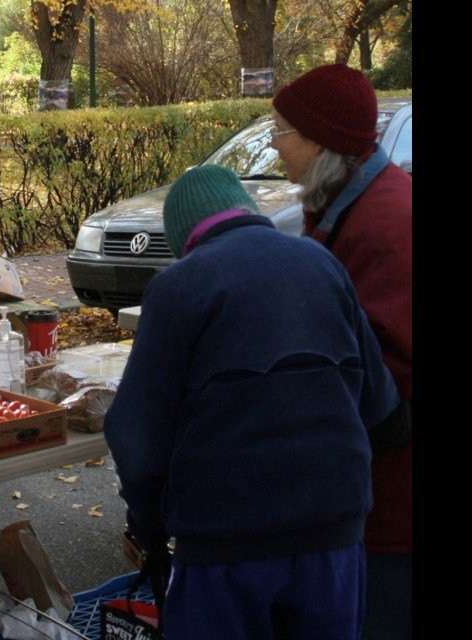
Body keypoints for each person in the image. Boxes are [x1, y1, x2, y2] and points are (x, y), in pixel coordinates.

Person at [103, 165, 409, 639]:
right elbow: (384, 410)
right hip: (333, 534)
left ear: (185, 236)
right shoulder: (322, 263)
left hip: (227, 541)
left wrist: (149, 527)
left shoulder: (181, 284)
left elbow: (135, 435)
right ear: (245, 211)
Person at [271, 64, 412, 640]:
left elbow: (383, 372)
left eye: (282, 131)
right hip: (368, 481)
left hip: (392, 494)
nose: (276, 145)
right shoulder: (345, 200)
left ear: (321, 140)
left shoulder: (387, 222)